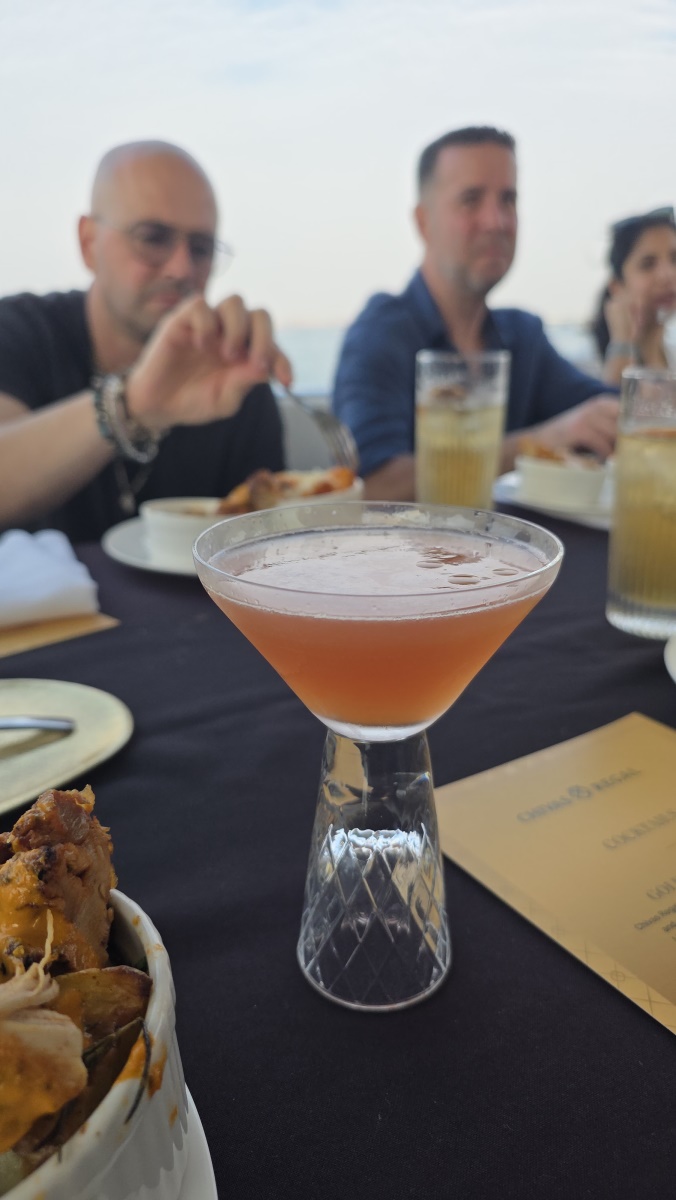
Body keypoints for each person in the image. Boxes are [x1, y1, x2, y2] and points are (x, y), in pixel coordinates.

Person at [0, 141, 292, 540]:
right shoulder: (22, 331)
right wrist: (131, 404)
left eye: (201, 248)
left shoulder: (232, 372)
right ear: (89, 243)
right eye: (153, 238)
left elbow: (269, 542)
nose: (181, 267)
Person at [332, 126, 619, 500]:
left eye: (508, 200)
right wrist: (543, 440)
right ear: (423, 221)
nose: (496, 221)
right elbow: (370, 486)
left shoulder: (522, 336)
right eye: (471, 200)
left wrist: (638, 345)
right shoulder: (382, 333)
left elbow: (604, 410)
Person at [590, 207, 676, 386]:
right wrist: (622, 341)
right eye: (648, 264)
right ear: (617, 287)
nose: (667, 275)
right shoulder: (588, 368)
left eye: (674, 260)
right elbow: (612, 401)